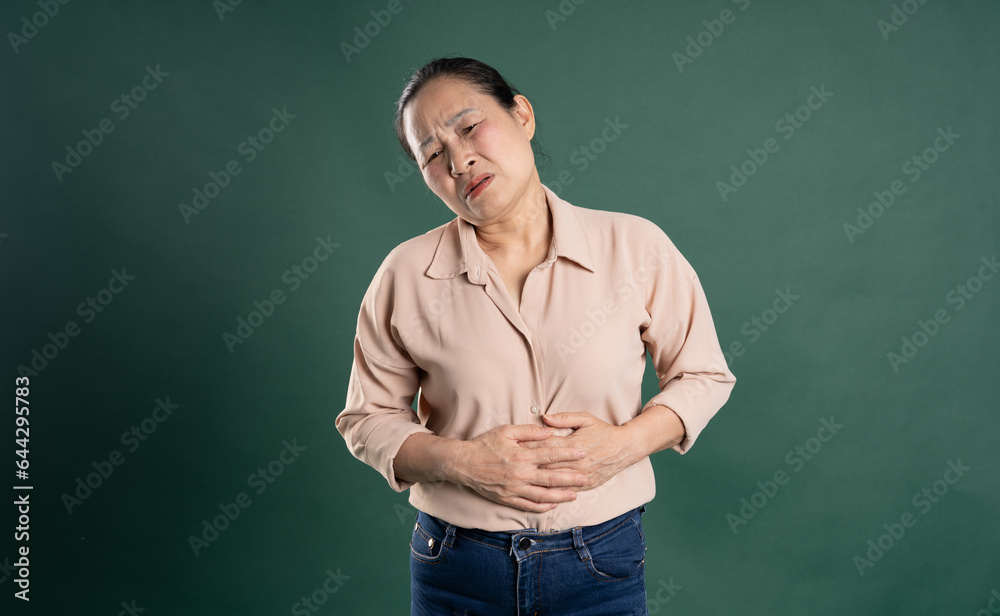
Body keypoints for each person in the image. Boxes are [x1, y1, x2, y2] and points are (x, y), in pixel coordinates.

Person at [336, 56, 737, 616]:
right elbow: (366, 418)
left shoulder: (635, 246)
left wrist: (622, 446)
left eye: (470, 127)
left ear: (521, 114)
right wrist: (460, 462)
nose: (459, 159)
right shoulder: (405, 274)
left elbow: (703, 375)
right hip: (456, 564)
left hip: (602, 561)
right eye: (432, 154)